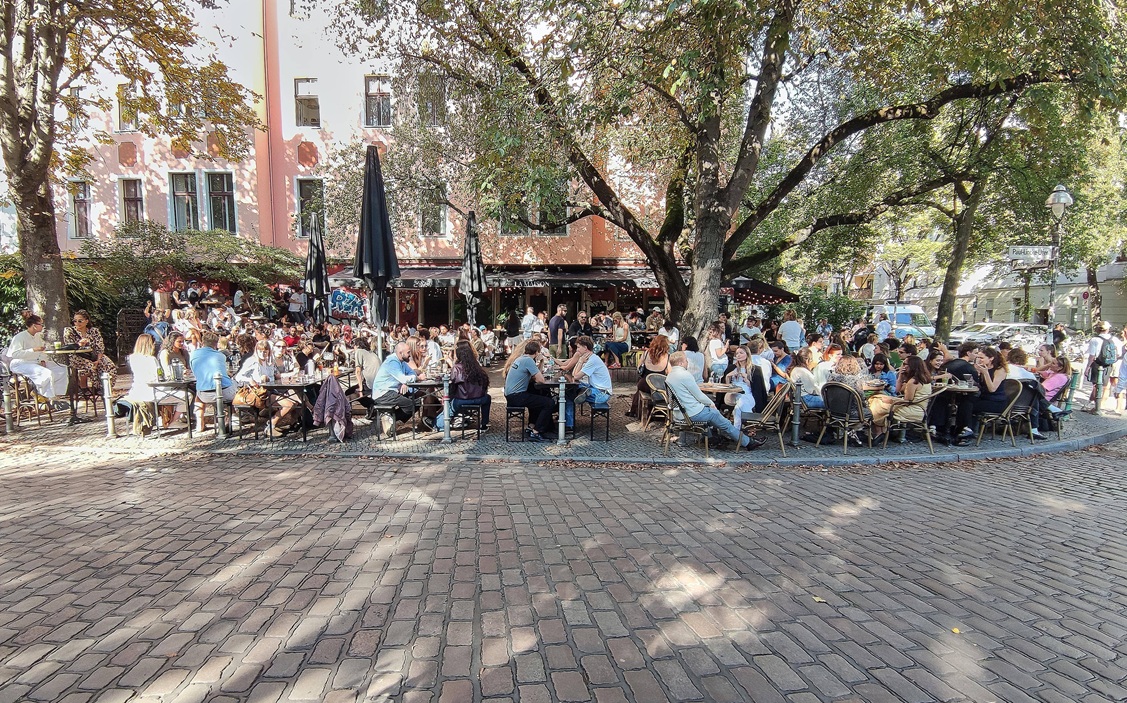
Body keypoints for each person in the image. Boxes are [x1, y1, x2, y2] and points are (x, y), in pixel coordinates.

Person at [664, 352, 764, 450]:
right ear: (681, 363)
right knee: (722, 420)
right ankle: (747, 442)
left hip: (678, 414)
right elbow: (699, 395)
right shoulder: (685, 375)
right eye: (686, 361)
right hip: (692, 413)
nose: (687, 363)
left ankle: (714, 439)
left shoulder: (669, 377)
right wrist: (711, 403)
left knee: (715, 415)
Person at [5, 310, 69, 408]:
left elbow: (41, 351)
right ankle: (44, 395)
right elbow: (15, 354)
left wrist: (42, 360)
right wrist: (33, 350)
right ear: (34, 325)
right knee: (46, 373)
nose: (42, 327)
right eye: (41, 324)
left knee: (62, 368)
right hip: (20, 363)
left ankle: (56, 396)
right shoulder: (20, 337)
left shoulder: (38, 336)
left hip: (35, 362)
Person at [124, 333, 182, 429]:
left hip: (136, 391)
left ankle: (164, 418)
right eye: (153, 344)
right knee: (187, 395)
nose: (154, 346)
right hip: (151, 392)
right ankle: (173, 420)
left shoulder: (132, 358)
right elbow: (159, 377)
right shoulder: (152, 359)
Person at [869, 355, 933, 439]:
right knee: (876, 398)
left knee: (876, 404)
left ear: (912, 366)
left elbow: (907, 401)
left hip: (912, 409)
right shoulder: (923, 378)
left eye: (905, 364)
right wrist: (900, 377)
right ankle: (881, 431)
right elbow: (897, 390)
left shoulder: (913, 382)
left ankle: (880, 431)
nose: (903, 366)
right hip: (918, 407)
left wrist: (891, 401)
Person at [434, 340, 492, 432]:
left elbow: (453, 384)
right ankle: (484, 424)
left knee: (450, 406)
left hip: (462, 399)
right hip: (479, 398)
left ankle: (439, 425)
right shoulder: (477, 366)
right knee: (488, 398)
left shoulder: (457, 368)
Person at [504, 340, 555, 441]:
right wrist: (541, 360)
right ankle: (536, 431)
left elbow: (536, 376)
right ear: (536, 352)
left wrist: (541, 362)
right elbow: (541, 380)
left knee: (536, 395)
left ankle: (532, 425)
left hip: (511, 395)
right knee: (549, 402)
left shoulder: (521, 358)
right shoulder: (528, 361)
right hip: (517, 396)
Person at [369, 341, 422, 432]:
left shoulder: (401, 361)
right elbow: (405, 377)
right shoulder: (392, 362)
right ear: (401, 353)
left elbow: (411, 373)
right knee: (412, 405)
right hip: (383, 393)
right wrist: (415, 378)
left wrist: (404, 382)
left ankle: (391, 419)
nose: (410, 355)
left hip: (392, 391)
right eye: (408, 352)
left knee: (417, 401)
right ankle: (390, 419)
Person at [189, 331, 237, 430]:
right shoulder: (220, 355)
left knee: (198, 395)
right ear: (216, 344)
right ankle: (229, 418)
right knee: (235, 385)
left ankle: (199, 422)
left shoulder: (193, 354)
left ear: (202, 342)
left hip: (204, 394)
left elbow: (195, 372)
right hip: (224, 392)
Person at [63, 309, 117, 393]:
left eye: (80, 321)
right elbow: (69, 345)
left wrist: (98, 360)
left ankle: (106, 387)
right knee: (91, 367)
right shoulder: (69, 331)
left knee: (110, 366)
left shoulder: (94, 331)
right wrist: (79, 344)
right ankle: (95, 387)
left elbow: (100, 347)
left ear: (86, 321)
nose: (77, 323)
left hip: (93, 355)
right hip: (77, 356)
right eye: (75, 321)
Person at [565, 336, 614, 428]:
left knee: (568, 395)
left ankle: (568, 425)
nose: (577, 350)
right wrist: (580, 360)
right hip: (596, 388)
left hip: (601, 394)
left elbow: (575, 376)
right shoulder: (591, 358)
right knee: (573, 388)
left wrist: (580, 361)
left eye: (579, 347)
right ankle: (583, 392)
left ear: (585, 348)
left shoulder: (592, 360)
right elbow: (575, 375)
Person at [628, 334, 672, 418]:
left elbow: (639, 368)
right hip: (659, 386)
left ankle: (635, 410)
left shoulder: (646, 353)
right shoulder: (668, 357)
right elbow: (670, 373)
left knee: (639, 387)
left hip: (644, 384)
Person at [1083, 320, 1121, 412]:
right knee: (1105, 385)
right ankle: (1100, 404)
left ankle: (1096, 405)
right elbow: (1119, 354)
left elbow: (1092, 355)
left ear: (1098, 329)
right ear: (1108, 329)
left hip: (1097, 363)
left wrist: (1087, 368)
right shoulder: (1115, 339)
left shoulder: (1095, 340)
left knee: (1096, 384)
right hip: (1109, 364)